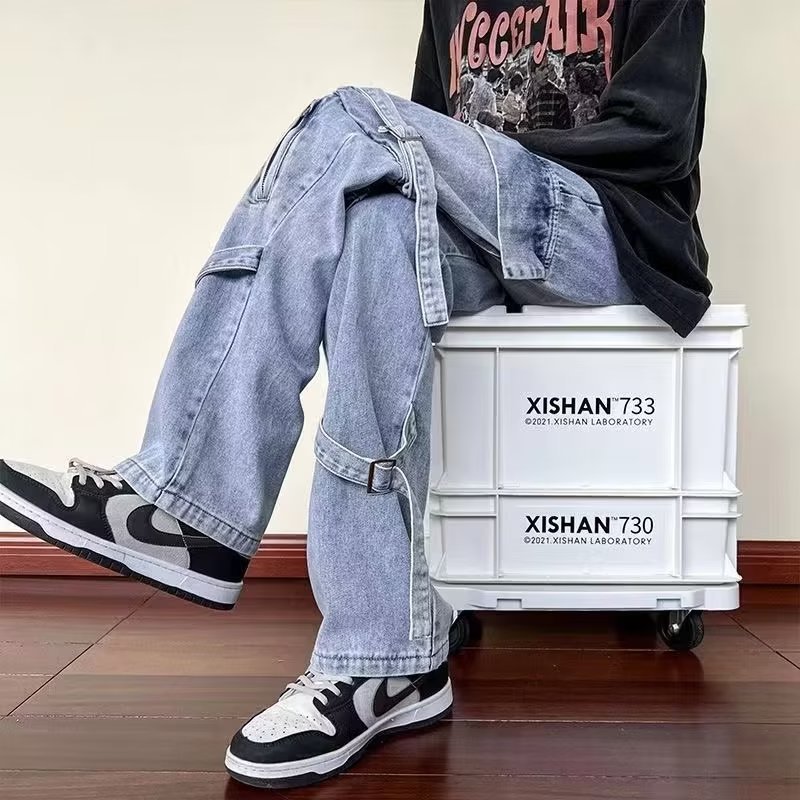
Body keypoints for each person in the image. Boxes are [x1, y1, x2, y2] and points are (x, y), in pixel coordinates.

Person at [0, 0, 709, 790]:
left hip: (606, 234)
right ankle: (386, 658)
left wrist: (471, 155)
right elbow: (420, 148)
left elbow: (658, 134)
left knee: (350, 120)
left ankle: (189, 499)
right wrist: (446, 159)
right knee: (378, 222)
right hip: (484, 234)